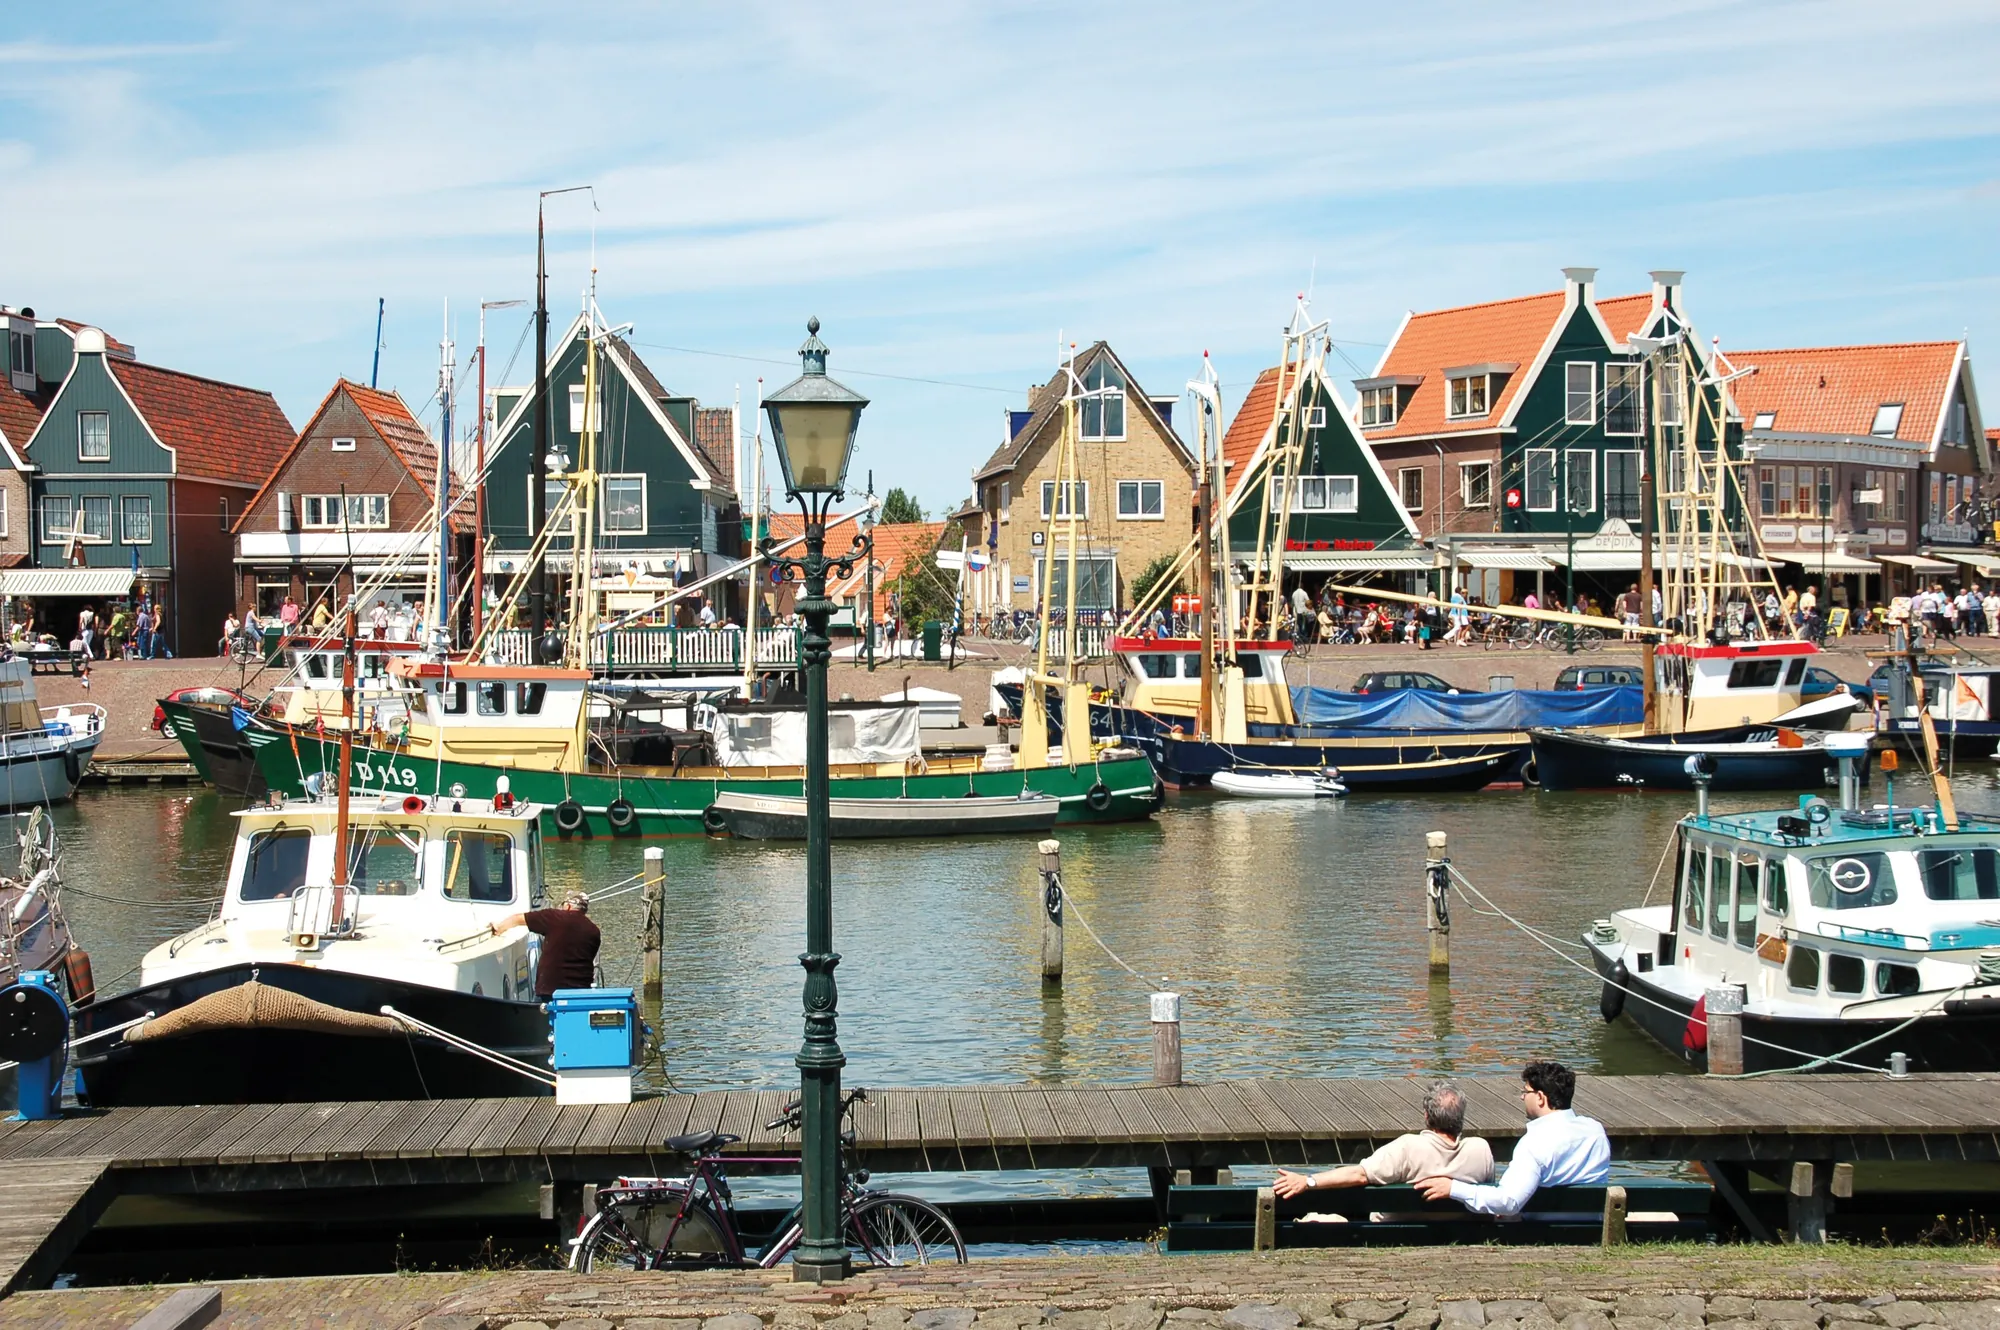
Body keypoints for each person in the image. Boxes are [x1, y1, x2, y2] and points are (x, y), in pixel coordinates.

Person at [1414, 1060, 1609, 1216]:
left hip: (1544, 1231)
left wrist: (1454, 1188)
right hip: (1592, 1225)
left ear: (1540, 1098)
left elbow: (1508, 1201)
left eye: (1526, 1092)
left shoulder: (1534, 1143)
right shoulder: (1596, 1131)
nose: (1522, 1097)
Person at [1273, 1082, 1493, 1197]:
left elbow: (1359, 1175)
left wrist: (1308, 1181)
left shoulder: (1408, 1147)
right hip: (1463, 1231)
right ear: (1461, 1117)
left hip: (1395, 1232)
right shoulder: (1481, 1149)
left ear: (1427, 1116)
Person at [490, 889, 602, 1001]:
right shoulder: (594, 931)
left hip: (550, 991)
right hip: (581, 992)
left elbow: (518, 919)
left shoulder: (554, 917)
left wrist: (499, 928)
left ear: (568, 906)